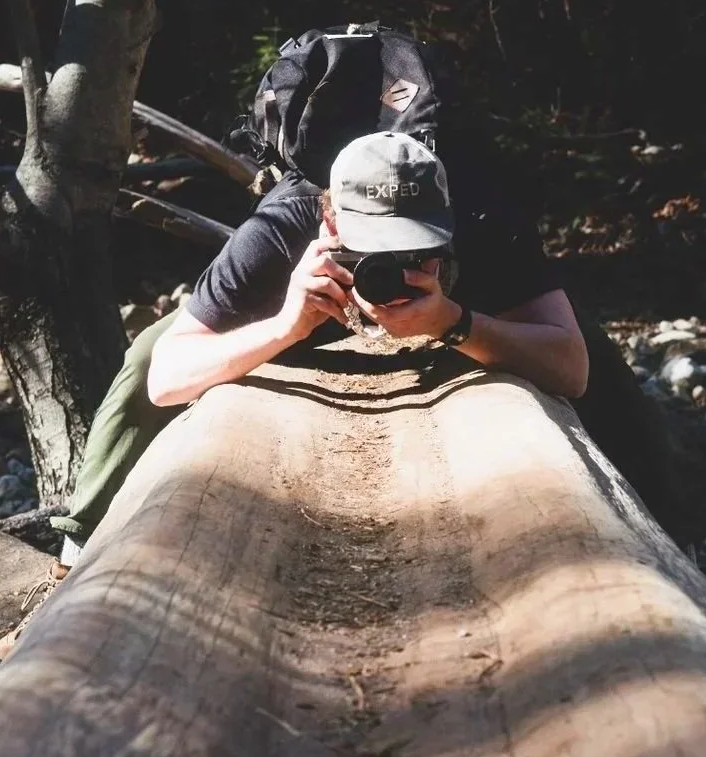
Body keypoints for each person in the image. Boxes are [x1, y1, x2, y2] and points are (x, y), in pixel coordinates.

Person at [54, 130, 589, 559]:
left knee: (598, 355)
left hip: (459, 316)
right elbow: (165, 377)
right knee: (143, 354)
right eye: (372, 249)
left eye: (417, 250)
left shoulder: (485, 223)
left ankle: (644, 504)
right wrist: (286, 325)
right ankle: (78, 546)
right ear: (329, 221)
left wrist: (453, 321)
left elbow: (573, 367)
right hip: (290, 308)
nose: (395, 268)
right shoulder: (280, 228)